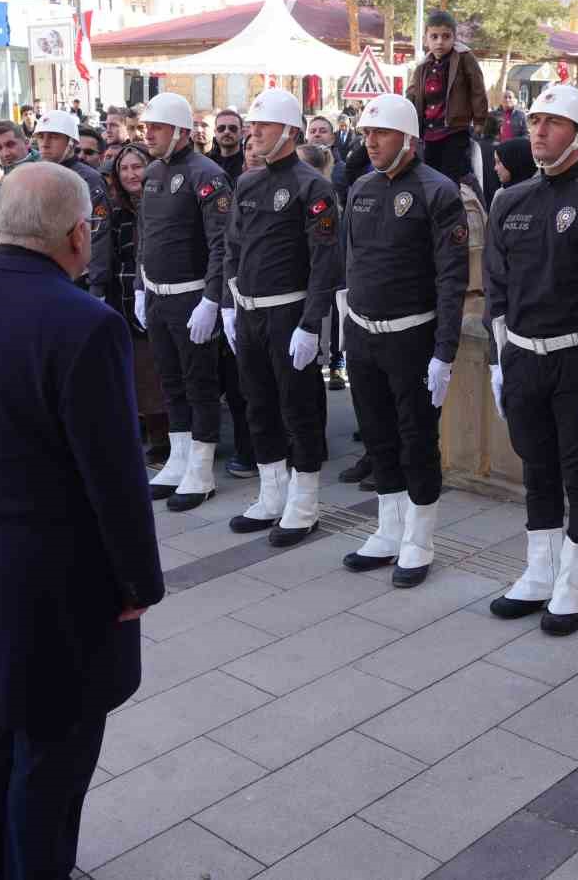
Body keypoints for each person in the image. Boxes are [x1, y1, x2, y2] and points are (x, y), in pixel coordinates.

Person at [0, 161, 164, 880]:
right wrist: (138, 583)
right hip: (60, 581)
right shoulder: (86, 324)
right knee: (52, 759)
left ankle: (1, 866)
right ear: (79, 234)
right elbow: (115, 476)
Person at [483, 84, 578, 635]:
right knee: (537, 468)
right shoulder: (509, 201)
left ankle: (575, 584)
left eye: (553, 123)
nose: (539, 131)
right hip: (524, 358)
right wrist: (498, 359)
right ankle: (540, 572)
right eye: (535, 121)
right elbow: (496, 289)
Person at [338, 93, 470, 587]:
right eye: (367, 133)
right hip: (363, 334)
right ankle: (388, 529)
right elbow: (353, 260)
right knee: (378, 436)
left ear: (408, 140)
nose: (370, 142)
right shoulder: (362, 187)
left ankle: (419, 539)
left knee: (417, 442)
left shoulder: (439, 192)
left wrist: (444, 352)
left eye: (381, 133)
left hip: (412, 338)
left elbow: (452, 278)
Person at [221, 89, 342, 546]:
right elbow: (233, 247)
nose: (253, 133)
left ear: (290, 131)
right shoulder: (249, 183)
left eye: (263, 125)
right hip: (250, 312)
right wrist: (229, 302)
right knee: (258, 404)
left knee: (299, 408)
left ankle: (304, 504)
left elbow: (324, 259)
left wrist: (311, 324)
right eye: (252, 125)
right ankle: (272, 494)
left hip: (289, 313)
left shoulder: (314, 186)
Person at [136, 94, 232, 512]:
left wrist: (212, 299)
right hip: (157, 296)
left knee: (199, 384)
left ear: (179, 131)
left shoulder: (207, 174)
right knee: (170, 382)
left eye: (156, 127)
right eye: (146, 127)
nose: (148, 135)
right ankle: (178, 460)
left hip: (191, 297)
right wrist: (141, 286)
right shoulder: (153, 172)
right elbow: (145, 234)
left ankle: (201, 469)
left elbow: (221, 244)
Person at [109, 143, 170, 464]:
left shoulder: (166, 200)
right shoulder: (116, 211)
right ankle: (159, 439)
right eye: (124, 168)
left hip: (168, 294)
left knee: (170, 371)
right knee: (144, 374)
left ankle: (185, 438)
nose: (131, 174)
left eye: (137, 166)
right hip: (128, 299)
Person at [34, 110, 113, 299]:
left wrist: (97, 285)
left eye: (54, 137)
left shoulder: (89, 179)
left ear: (71, 142)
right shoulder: (33, 174)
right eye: (41, 136)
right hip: (41, 274)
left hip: (77, 278)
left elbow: (99, 233)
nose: (45, 143)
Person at [406, 9, 488, 184]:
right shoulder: (423, 66)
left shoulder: (464, 58)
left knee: (451, 177)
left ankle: (458, 199)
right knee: (430, 175)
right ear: (426, 39)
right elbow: (413, 93)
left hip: (454, 129)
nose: (440, 42)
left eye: (446, 36)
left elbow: (477, 89)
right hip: (429, 130)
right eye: (434, 37)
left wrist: (479, 121)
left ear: (454, 37)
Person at [209, 108, 246, 182]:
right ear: (215, 132)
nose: (226, 132)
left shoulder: (250, 161)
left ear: (242, 132)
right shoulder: (207, 162)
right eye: (221, 128)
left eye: (233, 128)